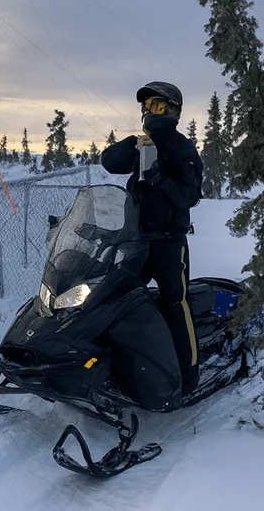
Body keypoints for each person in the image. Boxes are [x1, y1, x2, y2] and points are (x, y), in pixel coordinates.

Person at [101, 81, 203, 395]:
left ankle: (188, 376)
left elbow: (191, 195)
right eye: (146, 107)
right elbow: (109, 163)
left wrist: (160, 176)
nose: (149, 112)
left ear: (172, 110)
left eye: (156, 106)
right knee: (115, 296)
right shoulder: (143, 145)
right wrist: (131, 145)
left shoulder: (182, 149)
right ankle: (112, 363)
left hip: (169, 242)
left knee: (175, 302)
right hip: (135, 239)